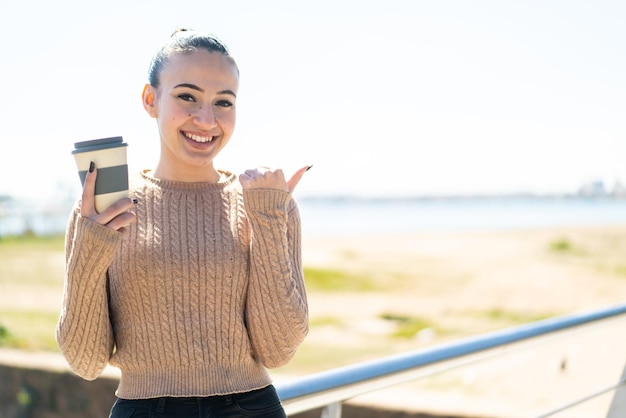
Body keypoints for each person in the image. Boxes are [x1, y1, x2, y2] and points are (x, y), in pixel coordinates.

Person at [56, 28, 310, 418]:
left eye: (223, 102)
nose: (206, 120)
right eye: (187, 96)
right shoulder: (102, 209)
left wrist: (270, 218)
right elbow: (85, 361)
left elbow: (279, 349)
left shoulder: (265, 203)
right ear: (150, 99)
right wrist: (91, 246)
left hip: (251, 407)